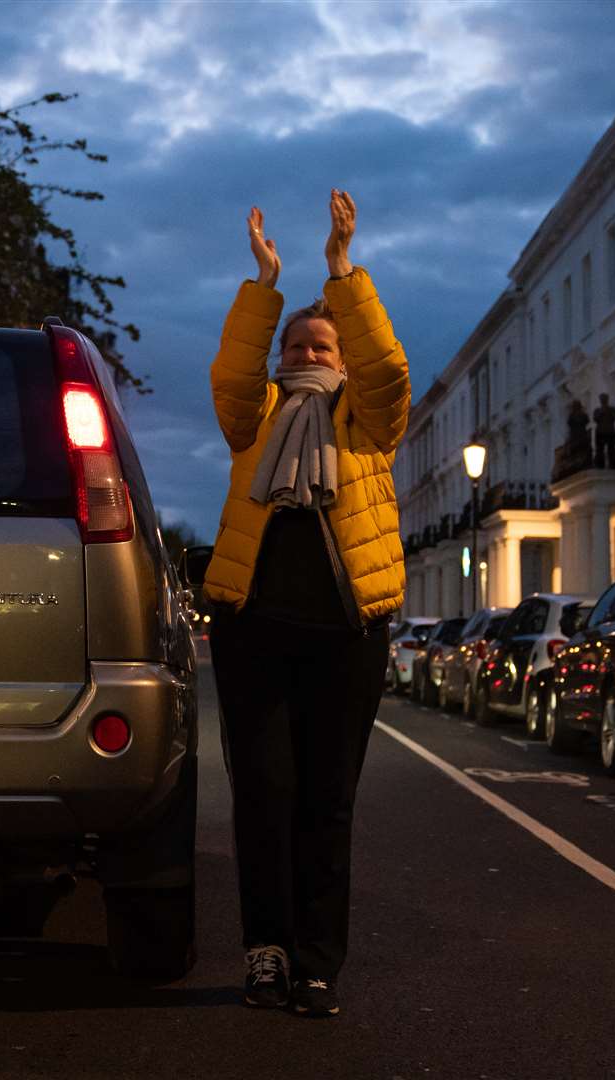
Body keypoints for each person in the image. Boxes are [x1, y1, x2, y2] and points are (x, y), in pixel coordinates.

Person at [203, 191, 408, 1018]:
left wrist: (340, 272)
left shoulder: (369, 424)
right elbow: (229, 373)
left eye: (320, 342)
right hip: (252, 628)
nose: (304, 349)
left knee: (327, 798)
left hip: (346, 632)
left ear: (343, 357)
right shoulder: (254, 420)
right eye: (295, 342)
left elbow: (390, 370)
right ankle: (266, 952)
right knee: (263, 795)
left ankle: (318, 964)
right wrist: (268, 284)